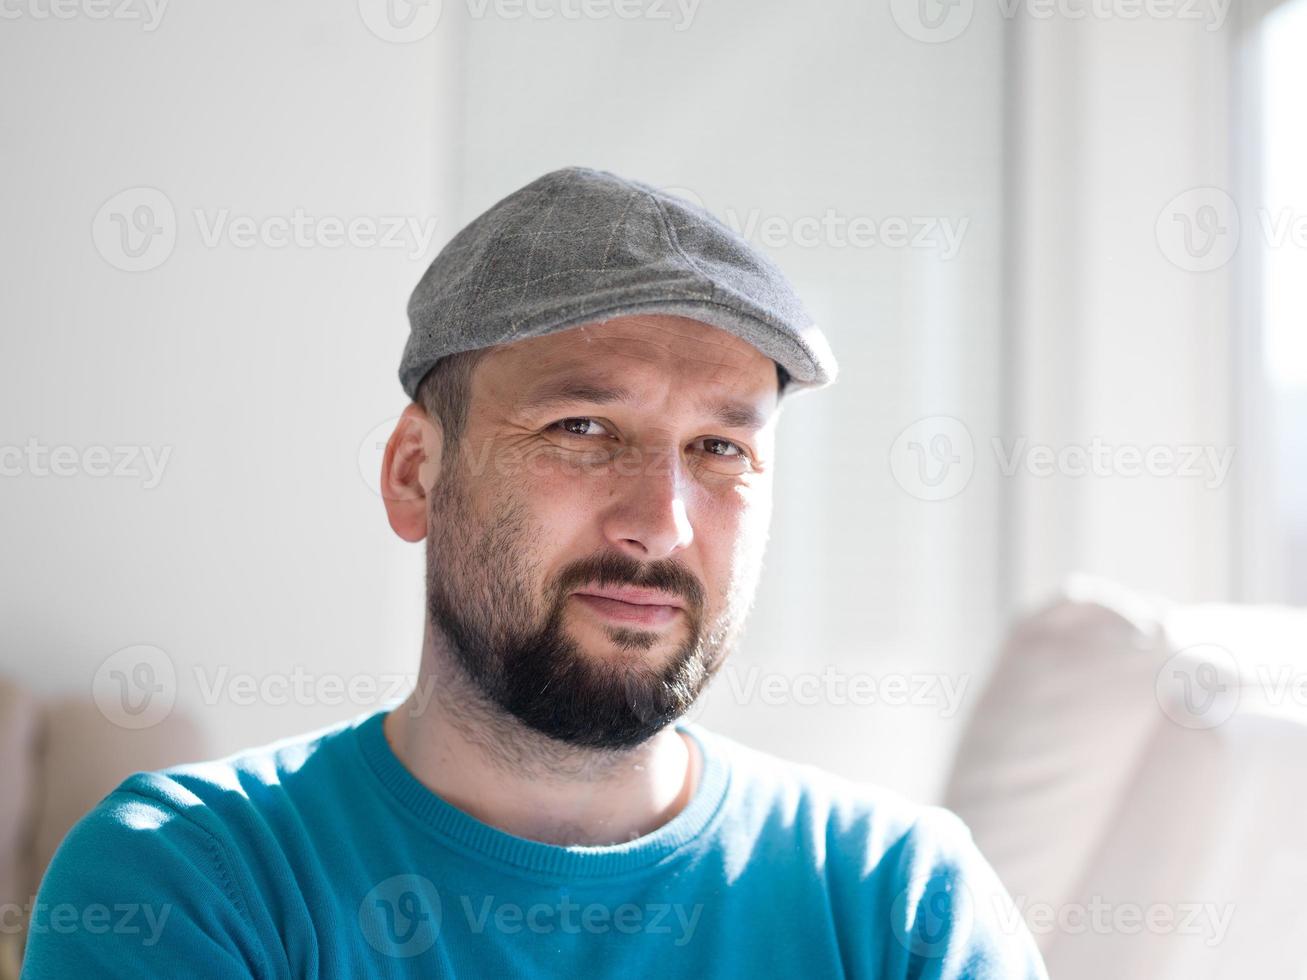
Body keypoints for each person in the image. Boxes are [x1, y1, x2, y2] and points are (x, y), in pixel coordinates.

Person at [22, 166, 1047, 978]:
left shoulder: (897, 902)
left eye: (719, 449)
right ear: (415, 471)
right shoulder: (191, 879)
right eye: (582, 428)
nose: (659, 522)